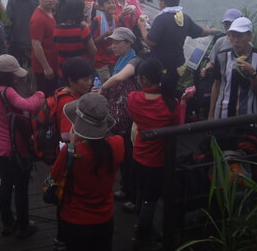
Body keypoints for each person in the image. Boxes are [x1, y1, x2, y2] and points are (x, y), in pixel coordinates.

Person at [128, 59, 195, 249]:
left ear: (143, 79)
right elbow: (177, 127)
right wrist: (183, 103)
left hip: (138, 154)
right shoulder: (170, 104)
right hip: (157, 161)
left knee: (142, 193)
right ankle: (142, 234)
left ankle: (143, 227)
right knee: (151, 199)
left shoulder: (133, 98)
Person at [50, 92, 124, 251]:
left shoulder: (71, 152)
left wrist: (72, 143)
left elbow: (50, 181)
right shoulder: (118, 144)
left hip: (74, 219)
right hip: (105, 218)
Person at [0, 55, 45, 239]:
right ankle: (24, 226)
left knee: (6, 185)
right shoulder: (7, 92)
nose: (17, 78)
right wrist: (39, 94)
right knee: (22, 187)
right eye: (14, 75)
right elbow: (27, 105)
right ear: (7, 76)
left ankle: (7, 223)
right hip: (14, 148)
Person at [100, 27, 141, 212]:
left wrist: (103, 89)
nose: (113, 45)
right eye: (112, 41)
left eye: (117, 42)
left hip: (129, 117)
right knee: (124, 156)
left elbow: (121, 77)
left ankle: (134, 195)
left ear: (128, 44)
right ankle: (126, 189)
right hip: (120, 116)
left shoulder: (135, 59)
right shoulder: (121, 59)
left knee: (131, 157)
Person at [138, 0, 220, 78]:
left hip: (160, 65)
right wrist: (213, 30)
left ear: (163, 2)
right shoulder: (184, 18)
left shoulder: (162, 19)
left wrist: (142, 26)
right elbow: (200, 32)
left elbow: (150, 41)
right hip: (177, 65)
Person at [209, 17, 257, 120]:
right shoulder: (222, 56)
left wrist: (252, 73)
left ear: (250, 36)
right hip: (223, 114)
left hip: (249, 115)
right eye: (233, 36)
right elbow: (216, 85)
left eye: (240, 36)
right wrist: (211, 114)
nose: (236, 40)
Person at [5, 0, 41, 67]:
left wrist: (7, 37)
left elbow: (8, 18)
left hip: (18, 39)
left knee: (19, 68)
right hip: (39, 37)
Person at [55, 57, 96, 142]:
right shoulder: (68, 103)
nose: (89, 83)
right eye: (85, 79)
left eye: (90, 78)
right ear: (71, 81)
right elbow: (66, 136)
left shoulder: (62, 91)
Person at [53, 0, 96, 79]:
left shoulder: (57, 29)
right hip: (81, 72)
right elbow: (93, 51)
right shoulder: (82, 30)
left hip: (64, 72)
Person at [30, 0, 59, 96]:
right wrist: (46, 68)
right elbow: (36, 44)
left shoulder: (51, 12)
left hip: (54, 63)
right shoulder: (38, 18)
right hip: (44, 68)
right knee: (47, 99)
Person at [200, 8, 243, 78]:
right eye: (226, 24)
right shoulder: (220, 42)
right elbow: (211, 62)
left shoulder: (245, 45)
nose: (228, 28)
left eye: (231, 24)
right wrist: (205, 71)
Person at [90, 0, 123, 84]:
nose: (112, 5)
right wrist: (105, 34)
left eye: (113, 3)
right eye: (108, 3)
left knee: (115, 81)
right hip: (100, 60)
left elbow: (122, 36)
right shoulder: (97, 21)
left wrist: (113, 46)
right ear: (101, 7)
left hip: (114, 58)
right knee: (106, 82)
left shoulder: (116, 19)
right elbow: (92, 42)